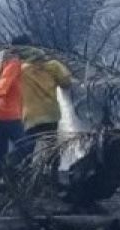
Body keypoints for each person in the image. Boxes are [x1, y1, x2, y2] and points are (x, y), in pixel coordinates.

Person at [11, 36, 73, 174]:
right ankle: (53, 176)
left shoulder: (19, 69)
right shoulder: (54, 65)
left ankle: (20, 173)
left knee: (27, 148)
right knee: (52, 147)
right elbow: (66, 83)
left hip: (30, 115)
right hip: (50, 113)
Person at [0, 44, 25, 188]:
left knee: (1, 149)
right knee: (24, 145)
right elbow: (5, 83)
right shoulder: (14, 64)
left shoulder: (1, 66)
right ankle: (10, 170)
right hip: (9, 117)